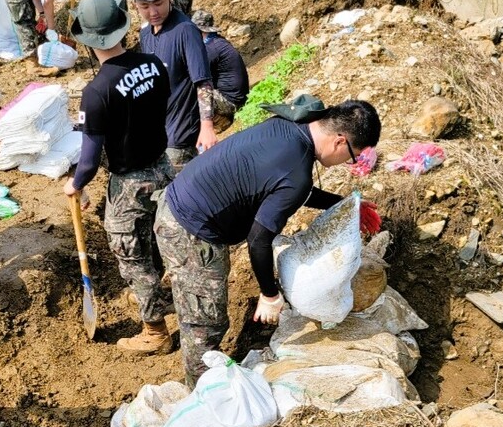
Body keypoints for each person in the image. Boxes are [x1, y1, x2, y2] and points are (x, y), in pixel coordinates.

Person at [154, 96, 382, 387]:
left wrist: (343, 204)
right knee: (205, 325)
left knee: (205, 313)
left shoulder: (291, 125)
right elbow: (259, 239)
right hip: (189, 230)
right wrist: (269, 295)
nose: (347, 163)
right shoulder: (296, 171)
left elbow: (286, 187)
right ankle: (203, 393)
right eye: (352, 156)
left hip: (181, 199)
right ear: (340, 141)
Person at [62, 0, 175, 354]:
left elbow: (89, 159)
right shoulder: (154, 64)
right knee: (156, 237)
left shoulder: (96, 92)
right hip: (164, 167)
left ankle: (155, 331)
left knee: (132, 254)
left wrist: (75, 184)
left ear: (86, 40)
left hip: (130, 184)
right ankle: (159, 294)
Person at [127, 0, 216, 172]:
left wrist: (207, 127)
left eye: (158, 3)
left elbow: (203, 82)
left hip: (180, 135)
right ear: (135, 5)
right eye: (145, 6)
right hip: (159, 130)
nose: (153, 12)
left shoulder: (185, 30)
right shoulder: (146, 33)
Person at [191, 9, 249, 133]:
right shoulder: (217, 41)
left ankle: (220, 121)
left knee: (191, 91)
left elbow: (196, 76)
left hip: (231, 101)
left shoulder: (210, 49)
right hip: (237, 96)